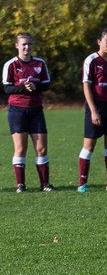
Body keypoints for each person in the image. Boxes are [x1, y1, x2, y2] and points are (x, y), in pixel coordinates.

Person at [3, 32, 54, 192]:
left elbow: (46, 84)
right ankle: (20, 185)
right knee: (20, 148)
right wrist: (23, 87)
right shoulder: (10, 64)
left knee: (41, 148)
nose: (27, 47)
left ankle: (45, 184)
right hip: (17, 110)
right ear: (17, 45)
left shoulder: (39, 63)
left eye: (29, 44)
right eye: (23, 44)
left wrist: (35, 87)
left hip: (36, 110)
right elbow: (7, 87)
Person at [78, 27, 107, 193]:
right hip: (96, 106)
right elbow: (86, 86)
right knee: (89, 145)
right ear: (99, 41)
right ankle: (82, 184)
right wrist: (93, 110)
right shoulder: (91, 60)